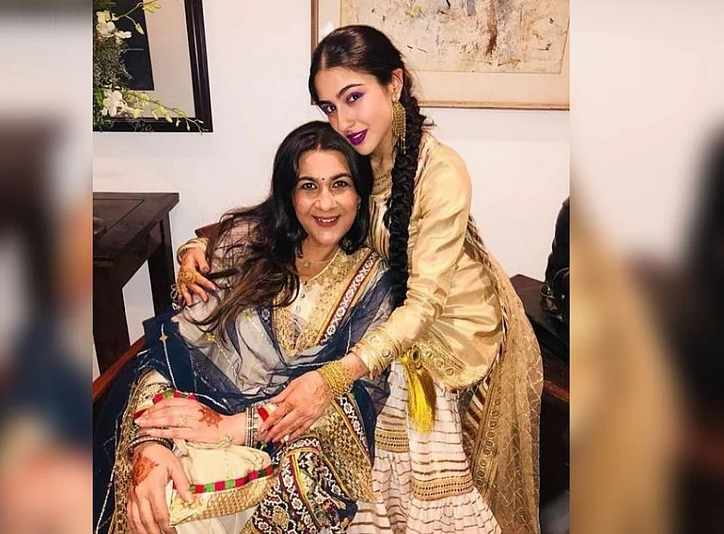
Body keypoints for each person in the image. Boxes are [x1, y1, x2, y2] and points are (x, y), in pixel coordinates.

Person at [177, 25, 544, 533]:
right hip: (390, 320)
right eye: (329, 107)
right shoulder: (360, 154)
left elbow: (424, 306)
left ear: (394, 84)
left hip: (450, 333)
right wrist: (196, 249)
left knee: (419, 473)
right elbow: (282, 209)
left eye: (353, 97)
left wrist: (334, 376)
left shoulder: (441, 173)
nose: (343, 120)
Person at [93, 121, 396, 534]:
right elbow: (174, 353)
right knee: (151, 495)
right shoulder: (246, 244)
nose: (325, 203)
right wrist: (152, 442)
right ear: (289, 194)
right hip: (193, 419)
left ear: (359, 193)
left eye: (339, 184)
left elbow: (357, 395)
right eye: (308, 186)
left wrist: (236, 428)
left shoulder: (373, 282)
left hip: (285, 444)